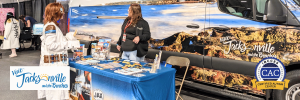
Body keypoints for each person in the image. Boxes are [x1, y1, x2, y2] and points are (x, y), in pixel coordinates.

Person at [38, 3, 80, 100]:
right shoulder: (51, 27)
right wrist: (71, 44)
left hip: (54, 62)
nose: (62, 14)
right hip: (54, 64)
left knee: (56, 92)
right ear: (55, 13)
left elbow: (54, 42)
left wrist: (67, 38)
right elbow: (51, 45)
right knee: (55, 94)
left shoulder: (51, 26)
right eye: (60, 12)